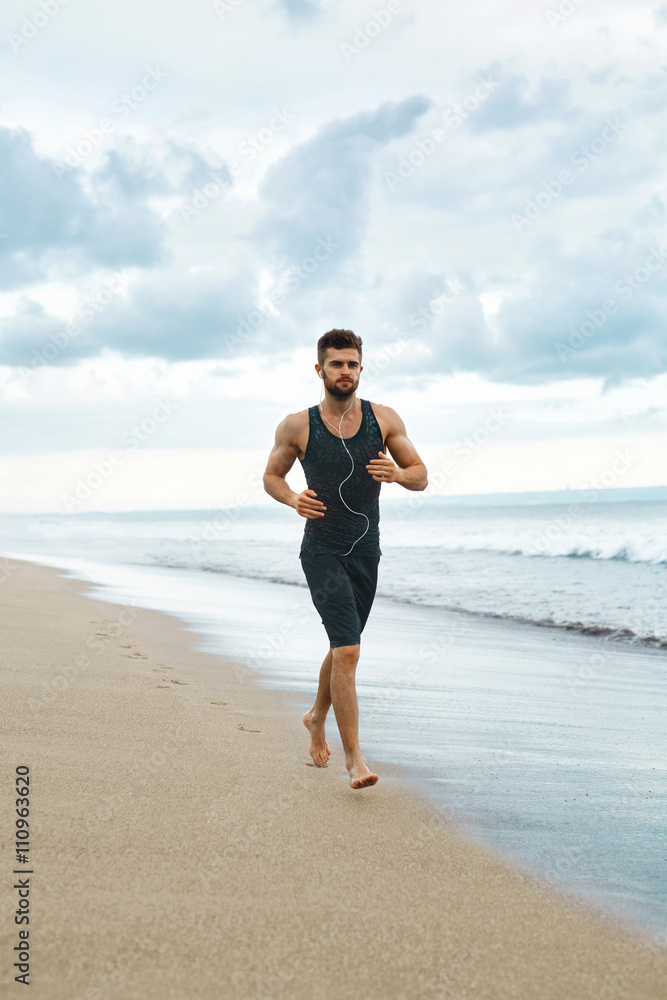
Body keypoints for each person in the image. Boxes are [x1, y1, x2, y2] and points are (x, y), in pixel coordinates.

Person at [263, 329, 428, 788]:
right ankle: (355, 758)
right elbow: (271, 477)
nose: (345, 371)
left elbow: (421, 476)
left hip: (366, 552)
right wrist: (293, 498)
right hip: (320, 550)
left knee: (342, 646)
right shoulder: (298, 425)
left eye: (352, 364)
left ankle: (316, 716)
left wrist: (396, 474)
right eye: (336, 364)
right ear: (320, 370)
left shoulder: (385, 419)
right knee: (351, 650)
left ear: (361, 368)